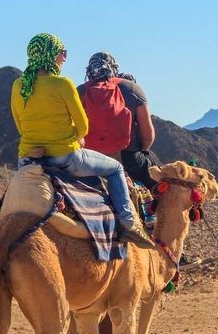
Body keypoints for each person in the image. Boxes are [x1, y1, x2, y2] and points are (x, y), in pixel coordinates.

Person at [10, 33, 154, 249]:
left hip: (27, 160)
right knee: (115, 169)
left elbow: (20, 125)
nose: (65, 57)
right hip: (65, 157)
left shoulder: (18, 85)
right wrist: (74, 139)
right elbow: (83, 127)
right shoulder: (63, 84)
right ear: (51, 55)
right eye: (62, 53)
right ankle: (128, 226)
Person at [76, 52, 158, 189]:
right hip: (128, 158)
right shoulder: (132, 89)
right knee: (163, 185)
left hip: (87, 159)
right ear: (114, 67)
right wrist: (139, 150)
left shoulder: (80, 91)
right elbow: (148, 136)